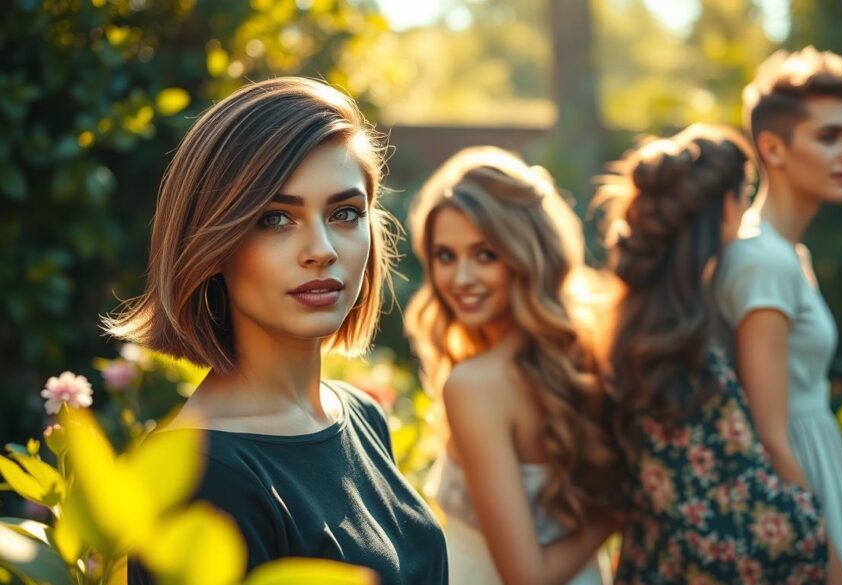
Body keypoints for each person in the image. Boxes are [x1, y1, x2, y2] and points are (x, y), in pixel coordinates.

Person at [108, 77, 447, 584]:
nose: (321, 248)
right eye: (275, 219)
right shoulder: (202, 477)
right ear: (212, 241)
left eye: (345, 213)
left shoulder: (361, 416)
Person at [599, 124, 828, 585]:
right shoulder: (683, 354)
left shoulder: (641, 328)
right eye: (744, 195)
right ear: (728, 205)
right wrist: (827, 550)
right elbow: (751, 523)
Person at [715, 47, 842, 585]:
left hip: (830, 515)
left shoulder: (789, 256)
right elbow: (771, 436)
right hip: (798, 537)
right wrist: (827, 562)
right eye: (829, 137)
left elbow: (811, 411)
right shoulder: (762, 263)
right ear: (772, 148)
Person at [405, 146, 620, 585]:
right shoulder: (587, 352)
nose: (461, 278)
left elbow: (526, 577)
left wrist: (618, 511)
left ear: (526, 254)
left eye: (485, 254)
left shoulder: (474, 384)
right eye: (446, 256)